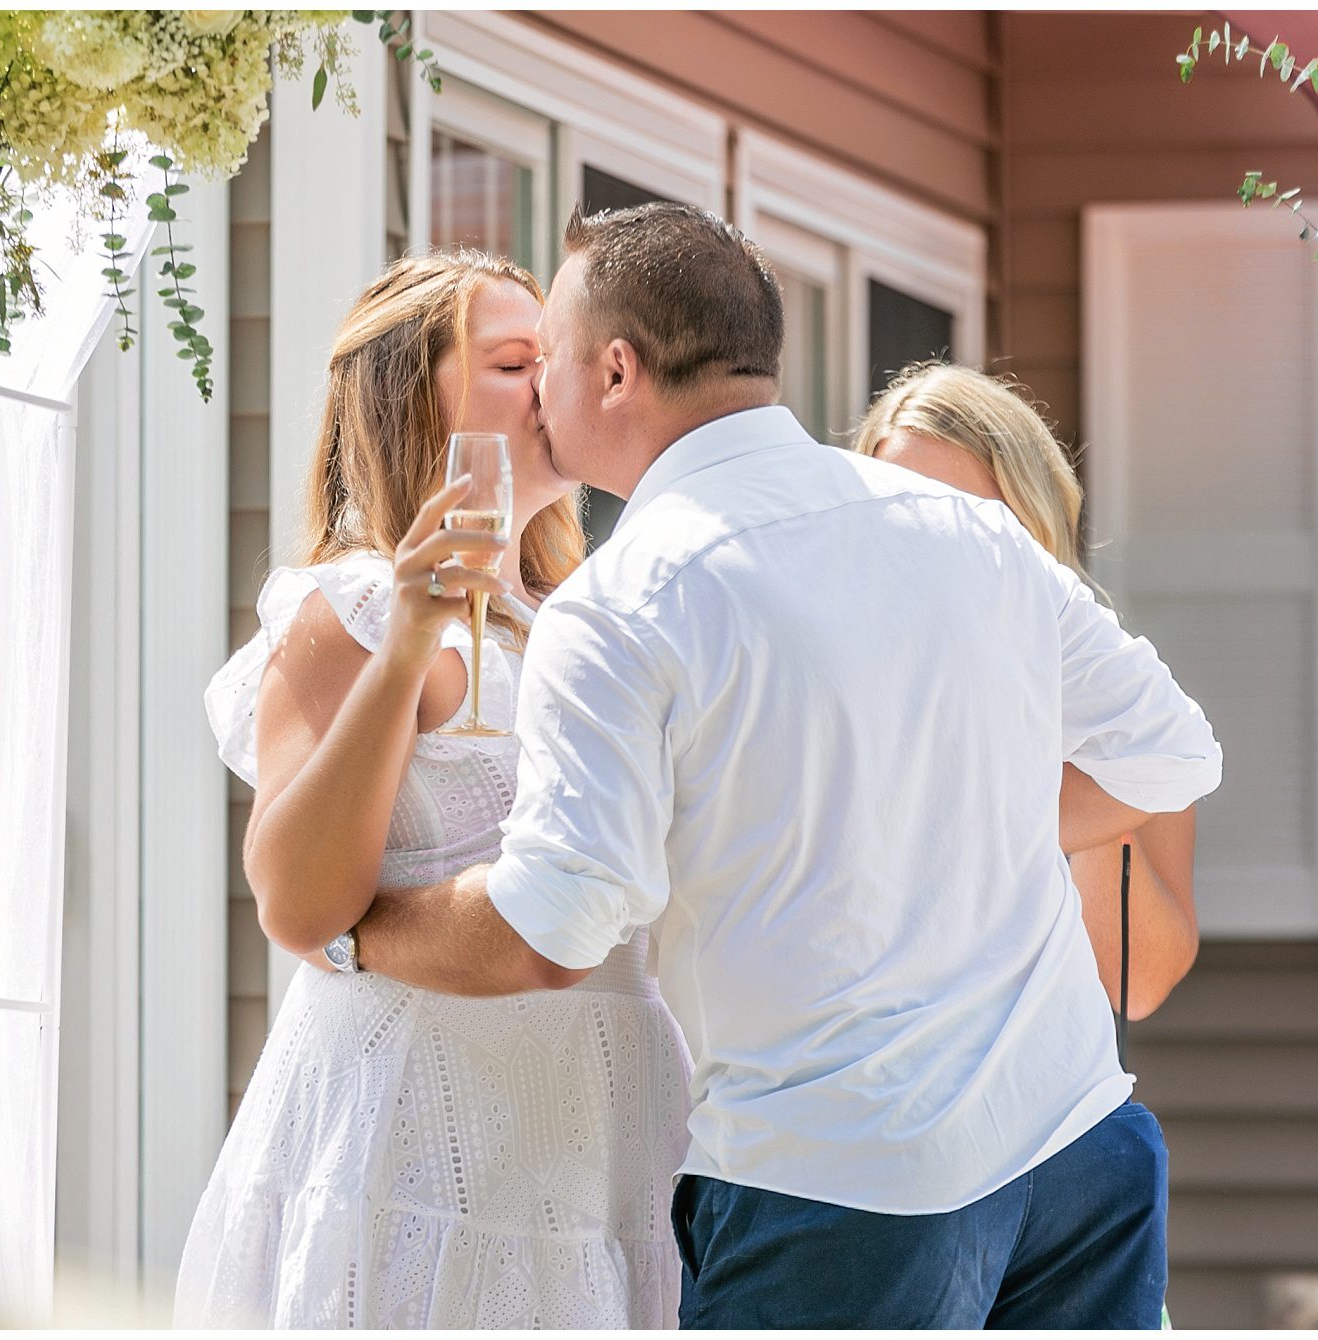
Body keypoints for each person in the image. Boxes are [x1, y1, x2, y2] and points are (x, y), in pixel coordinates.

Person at [337, 204, 1223, 1329]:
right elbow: (1169, 753)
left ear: (614, 370)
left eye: (547, 356)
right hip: (1080, 1151)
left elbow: (552, 929)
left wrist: (358, 924)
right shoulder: (969, 532)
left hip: (842, 1187)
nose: (536, 388)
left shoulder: (621, 604)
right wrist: (944, 819)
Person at [173, 250, 692, 1329]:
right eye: (515, 362)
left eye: (553, 358)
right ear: (417, 399)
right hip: (413, 1127)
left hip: (606, 1129)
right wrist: (410, 636)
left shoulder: (590, 614)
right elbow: (297, 902)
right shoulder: (351, 608)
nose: (552, 384)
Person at [852, 361, 1200, 1023]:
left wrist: (1070, 742)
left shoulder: (1132, 722)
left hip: (1041, 1109)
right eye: (901, 522)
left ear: (1032, 533)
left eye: (965, 526)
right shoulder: (827, 699)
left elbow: (1136, 984)